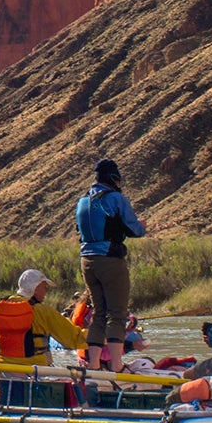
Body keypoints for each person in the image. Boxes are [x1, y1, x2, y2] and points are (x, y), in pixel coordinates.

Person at [75, 158, 147, 370]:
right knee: (116, 313)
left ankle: (94, 366)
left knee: (98, 312)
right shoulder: (115, 198)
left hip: (86, 261)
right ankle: (117, 366)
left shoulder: (82, 201)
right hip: (110, 259)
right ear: (114, 178)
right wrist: (142, 226)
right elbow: (135, 229)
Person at [0, 269, 87, 364]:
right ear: (35, 288)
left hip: (4, 370)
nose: (47, 291)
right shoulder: (42, 311)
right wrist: (97, 334)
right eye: (44, 287)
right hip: (36, 372)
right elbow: (73, 339)